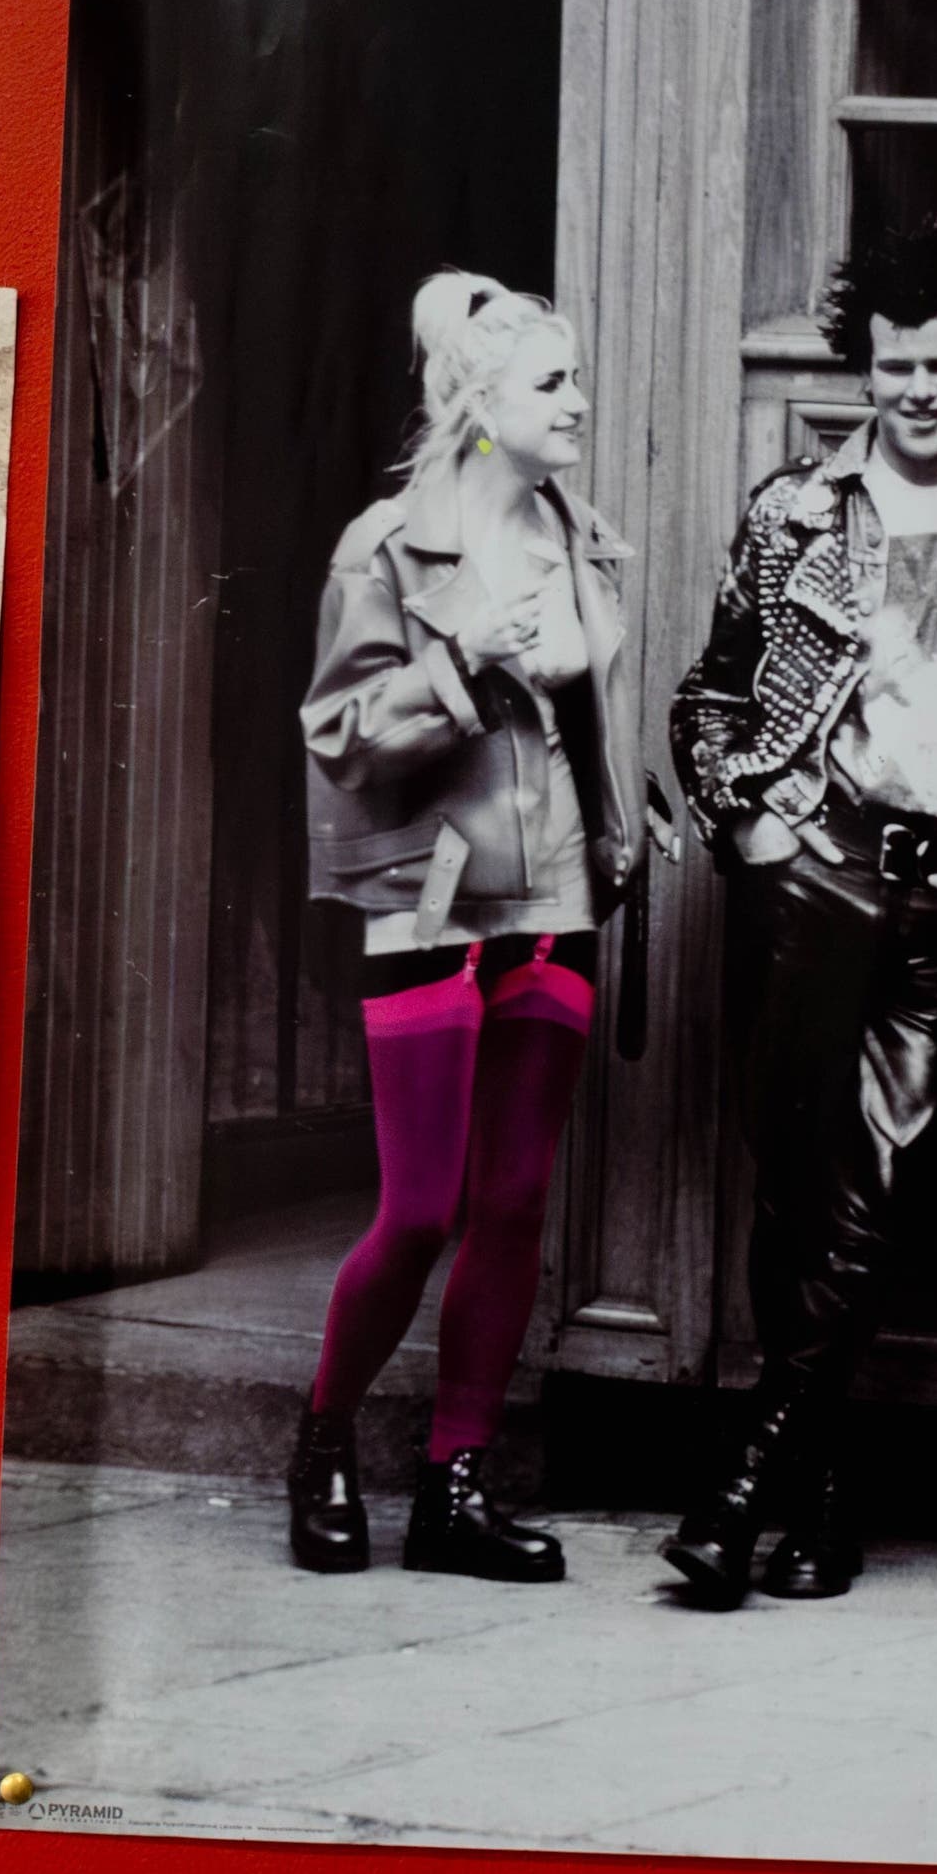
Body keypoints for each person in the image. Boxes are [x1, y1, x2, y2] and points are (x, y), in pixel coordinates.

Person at [666, 219, 937, 1607]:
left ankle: (753, 1475)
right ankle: (814, 1506)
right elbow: (712, 694)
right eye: (895, 364)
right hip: (819, 871)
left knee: (870, 1182)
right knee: (798, 1187)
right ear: (863, 363)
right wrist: (747, 816)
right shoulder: (794, 509)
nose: (919, 388)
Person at [289, 273, 646, 1583]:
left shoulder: (587, 539)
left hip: (558, 896)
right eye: (554, 386)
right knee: (423, 1207)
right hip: (429, 898)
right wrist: (471, 662)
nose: (582, 405)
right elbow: (340, 739)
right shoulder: (384, 547)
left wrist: (621, 831)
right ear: (479, 405)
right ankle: (325, 1442)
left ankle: (456, 1484)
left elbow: (596, 718)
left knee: (511, 1202)